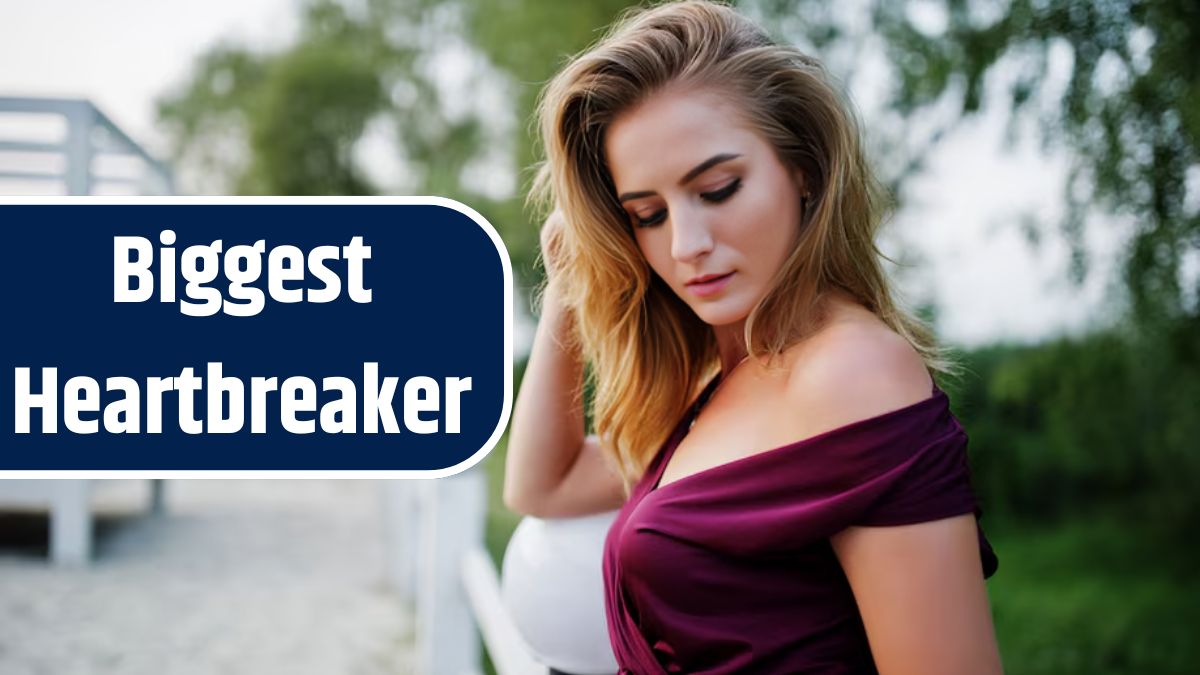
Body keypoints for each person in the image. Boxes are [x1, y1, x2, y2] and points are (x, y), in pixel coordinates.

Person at [504, 1, 1003, 673]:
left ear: (803, 167)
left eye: (718, 188)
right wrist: (571, 281)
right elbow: (544, 485)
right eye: (646, 215)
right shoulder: (715, 380)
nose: (686, 245)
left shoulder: (852, 374)